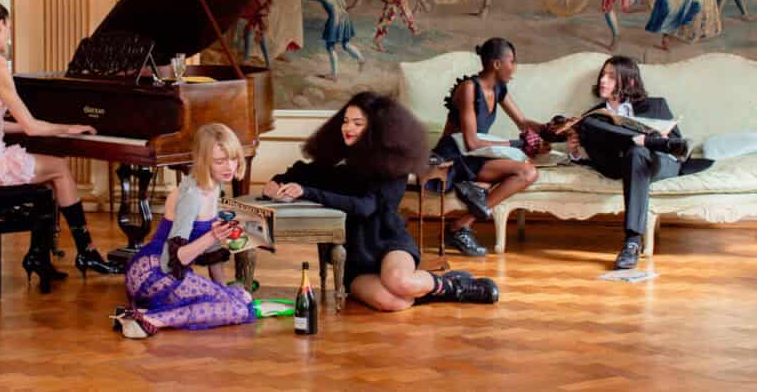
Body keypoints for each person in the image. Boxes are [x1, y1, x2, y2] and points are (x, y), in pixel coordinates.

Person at [264, 92, 499, 311]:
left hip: (388, 241)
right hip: (352, 254)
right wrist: (275, 184)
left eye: (358, 123)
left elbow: (364, 207)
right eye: (346, 121)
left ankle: (454, 286)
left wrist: (306, 192)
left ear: (376, 128)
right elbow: (296, 174)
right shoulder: (334, 159)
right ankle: (439, 286)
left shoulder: (392, 164)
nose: (348, 128)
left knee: (401, 283)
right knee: (393, 302)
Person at [0, 0, 119, 279]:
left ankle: (39, 255)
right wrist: (68, 127)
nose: (9, 35)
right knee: (59, 168)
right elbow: (33, 127)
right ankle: (87, 251)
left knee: (46, 174)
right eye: (9, 28)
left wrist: (37, 128)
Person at [561, 56, 713, 269]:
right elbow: (597, 159)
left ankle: (632, 241)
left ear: (630, 82)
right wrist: (575, 152)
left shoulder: (656, 106)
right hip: (620, 164)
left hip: (660, 162)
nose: (603, 80)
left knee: (639, 151)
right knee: (617, 140)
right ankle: (637, 140)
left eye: (611, 77)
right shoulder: (593, 117)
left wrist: (654, 143)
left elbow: (678, 149)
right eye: (603, 75)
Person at [114, 124, 256, 338]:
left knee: (241, 297)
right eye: (220, 161)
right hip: (155, 273)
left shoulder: (215, 186)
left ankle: (138, 314)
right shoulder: (191, 196)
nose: (230, 166)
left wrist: (223, 291)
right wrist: (213, 236)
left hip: (171, 273)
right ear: (203, 161)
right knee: (238, 309)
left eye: (233, 158)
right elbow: (175, 258)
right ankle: (149, 320)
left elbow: (212, 251)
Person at [431, 38, 546, 256]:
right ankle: (462, 218)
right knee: (526, 171)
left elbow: (523, 123)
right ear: (496, 64)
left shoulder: (499, 89)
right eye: (511, 61)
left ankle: (461, 224)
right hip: (455, 155)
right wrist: (517, 144)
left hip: (476, 155)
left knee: (528, 169)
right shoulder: (469, 89)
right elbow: (471, 141)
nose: (514, 67)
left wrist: (551, 129)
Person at [299, 0, 364, 80]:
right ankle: (360, 59)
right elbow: (345, 6)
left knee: (330, 46)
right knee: (346, 44)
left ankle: (334, 75)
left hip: (335, 20)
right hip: (345, 18)